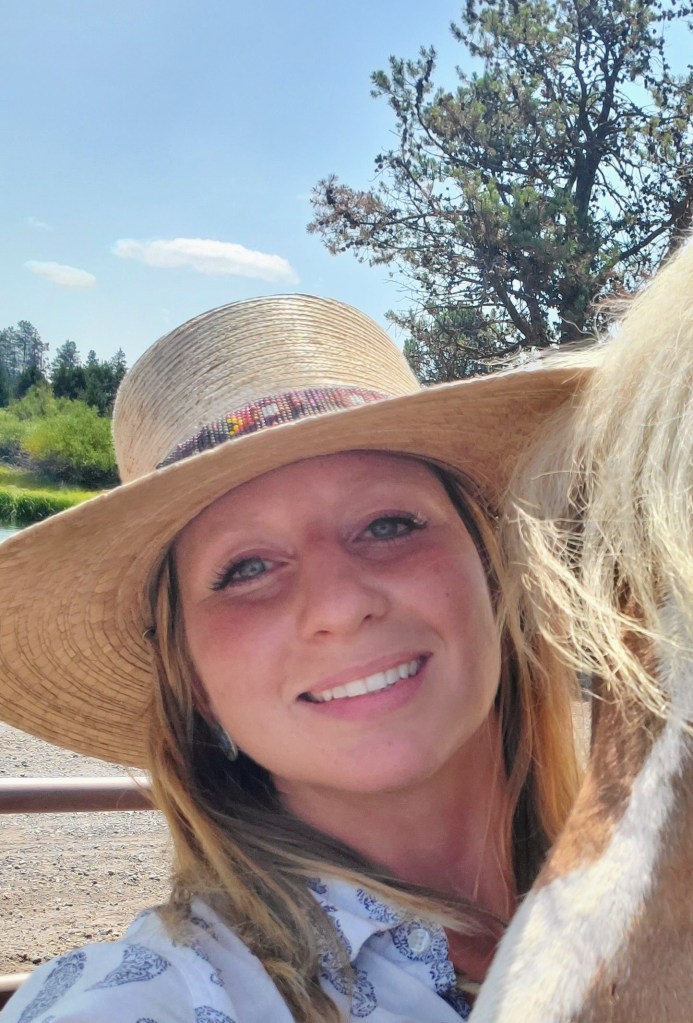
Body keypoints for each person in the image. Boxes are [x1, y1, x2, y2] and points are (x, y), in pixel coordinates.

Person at [0, 294, 589, 1022]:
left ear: (492, 572)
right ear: (194, 680)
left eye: (388, 524)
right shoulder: (145, 1000)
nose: (338, 605)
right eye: (246, 568)